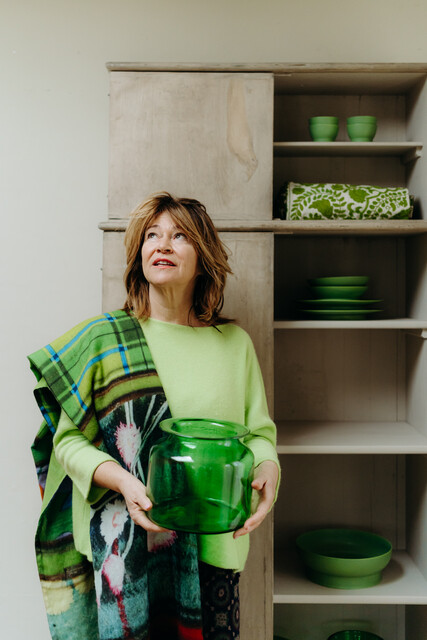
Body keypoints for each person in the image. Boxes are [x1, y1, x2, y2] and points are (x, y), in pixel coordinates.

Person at [29, 192, 280, 640]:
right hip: (126, 555)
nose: (162, 244)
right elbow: (67, 444)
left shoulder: (234, 343)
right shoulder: (105, 341)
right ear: (139, 253)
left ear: (202, 259)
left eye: (179, 235)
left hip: (214, 547)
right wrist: (124, 482)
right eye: (152, 235)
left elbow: (259, 434)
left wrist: (268, 469)